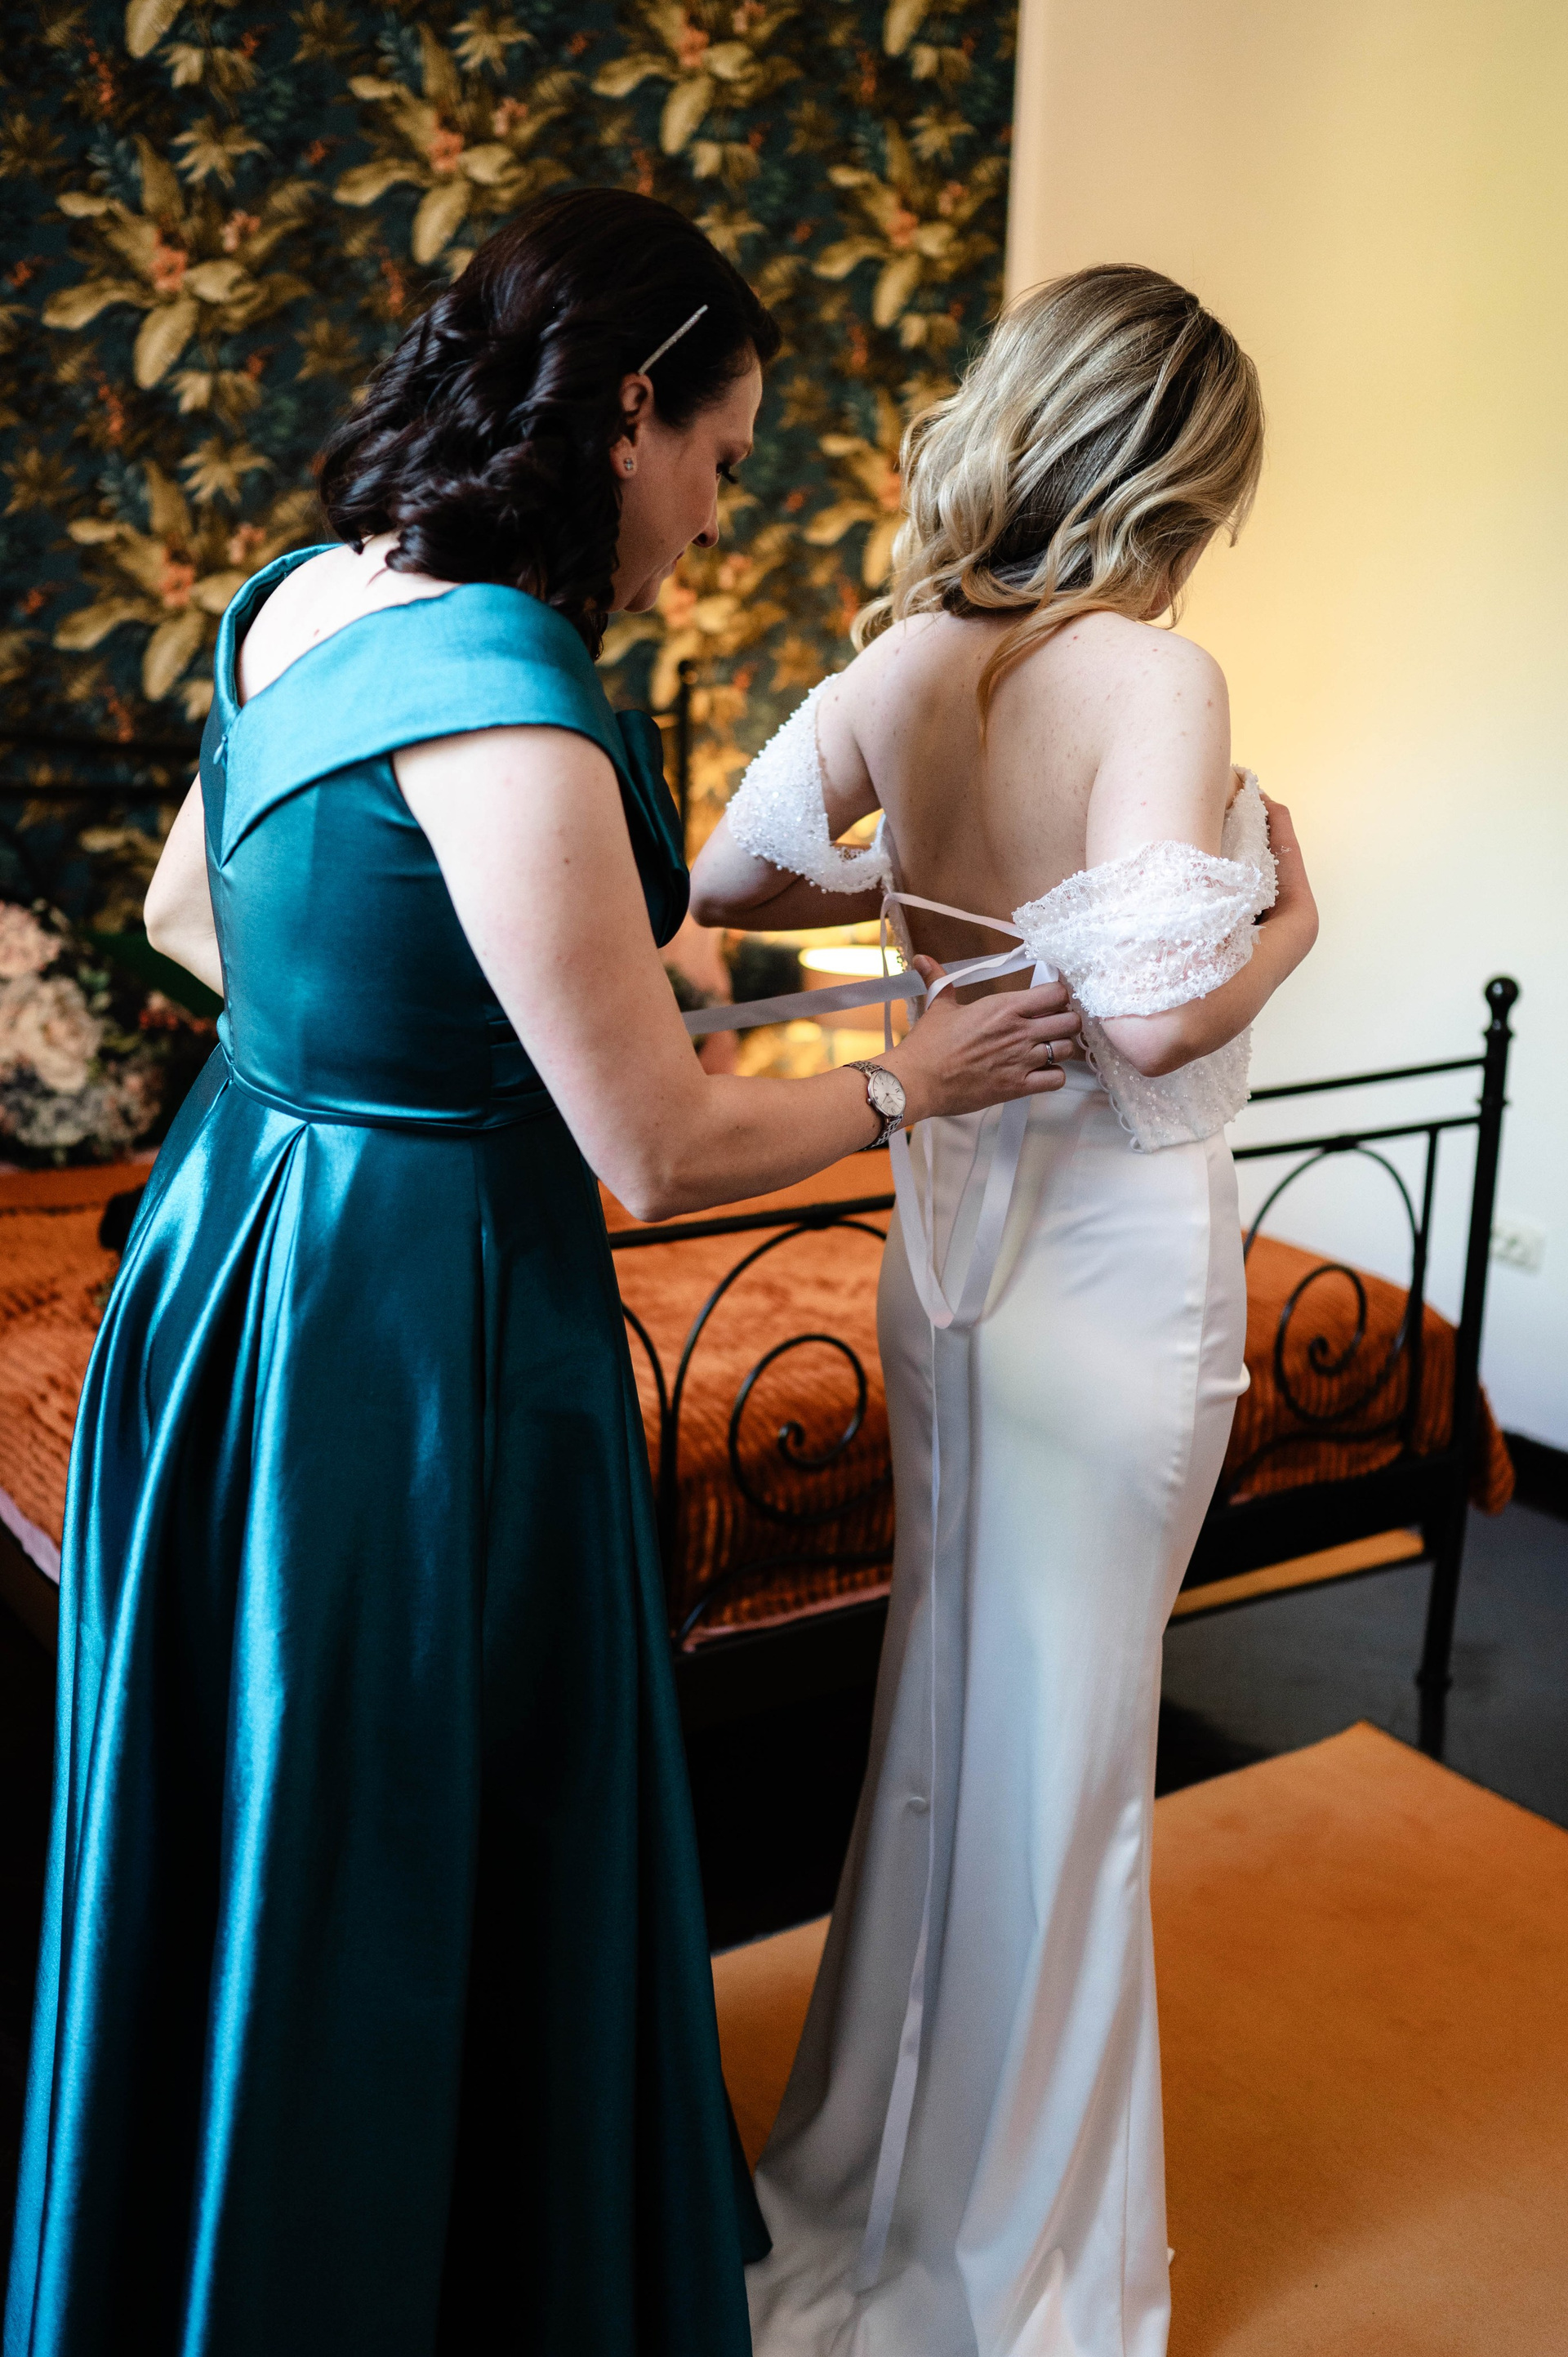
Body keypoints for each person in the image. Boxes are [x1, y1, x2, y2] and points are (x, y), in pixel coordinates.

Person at [2, 190, 1082, 2357]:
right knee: (413, 1797)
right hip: (417, 1318)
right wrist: (912, 1078)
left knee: (264, 1784)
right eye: (721, 453)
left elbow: (203, 922)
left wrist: (400, 1030)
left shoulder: (291, 598)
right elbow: (654, 1146)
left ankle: (204, 2218)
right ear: (626, 410)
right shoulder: (512, 687)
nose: (716, 510)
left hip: (229, 1237)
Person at [689, 265, 1319, 2357]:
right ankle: (1007, 2268)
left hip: (949, 1249)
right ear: (1178, 473)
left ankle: (884, 2178)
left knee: (953, 1719)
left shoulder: (912, 657)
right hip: (1110, 1271)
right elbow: (1149, 1025)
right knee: (1071, 1753)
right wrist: (1288, 923)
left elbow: (731, 880)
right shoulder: (1155, 675)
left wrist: (926, 914)